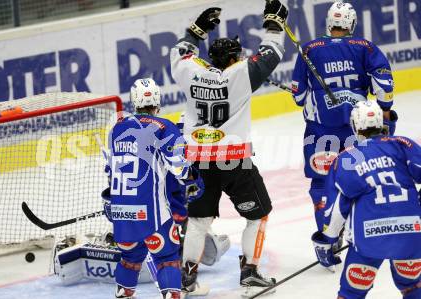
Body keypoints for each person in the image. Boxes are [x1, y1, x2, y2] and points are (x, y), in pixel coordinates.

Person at [170, 0, 288, 296]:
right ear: (235, 57)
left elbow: (180, 52)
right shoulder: (242, 74)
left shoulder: (191, 72)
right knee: (257, 216)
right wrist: (274, 24)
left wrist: (196, 30)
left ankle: (186, 280)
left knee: (198, 221)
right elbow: (271, 53)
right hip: (235, 162)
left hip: (198, 161)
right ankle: (250, 275)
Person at [291, 1, 397, 236]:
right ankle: (361, 229)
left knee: (321, 183)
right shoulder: (365, 47)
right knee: (362, 176)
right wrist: (386, 110)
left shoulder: (309, 49)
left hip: (319, 131)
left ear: (330, 23)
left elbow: (298, 96)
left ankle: (328, 234)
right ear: (351, 23)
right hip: (358, 128)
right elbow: (383, 82)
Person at [102, 78, 204, 299]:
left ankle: (124, 294)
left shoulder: (116, 129)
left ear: (134, 101)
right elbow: (180, 168)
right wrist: (194, 179)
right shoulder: (163, 127)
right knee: (167, 258)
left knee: (130, 259)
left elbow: (110, 170)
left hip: (122, 213)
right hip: (151, 215)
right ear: (158, 99)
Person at [312, 100, 421, 299]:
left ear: (355, 126)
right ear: (381, 123)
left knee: (351, 294)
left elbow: (336, 209)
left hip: (369, 238)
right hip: (410, 233)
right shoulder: (402, 144)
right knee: (413, 288)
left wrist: (327, 241)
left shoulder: (347, 158)